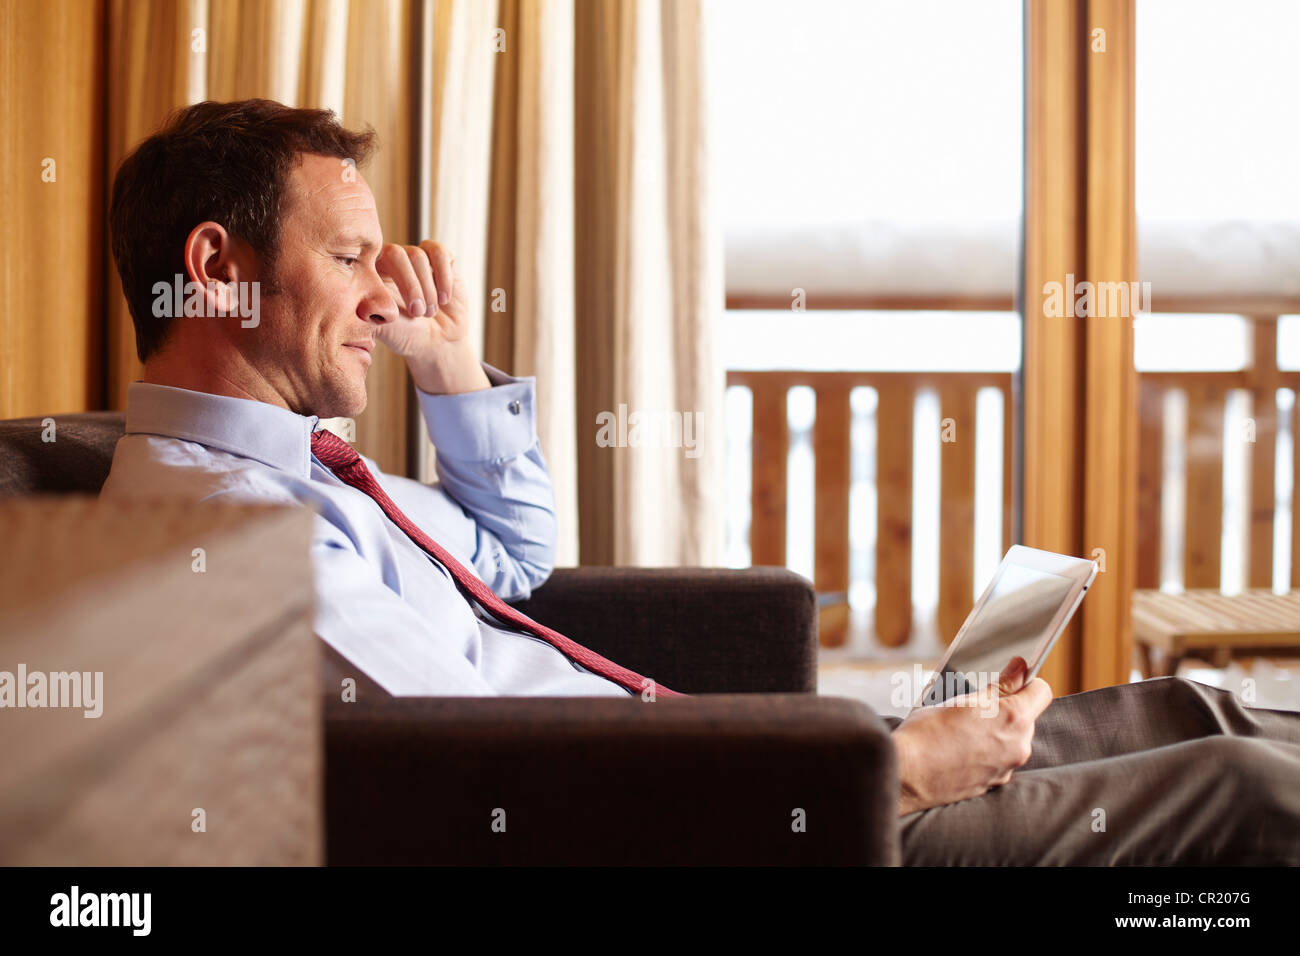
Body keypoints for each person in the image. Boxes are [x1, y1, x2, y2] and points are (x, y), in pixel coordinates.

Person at [99, 99, 1300, 865]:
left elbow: (511, 562)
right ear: (217, 265)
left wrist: (452, 370)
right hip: (751, 822)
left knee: (1196, 711)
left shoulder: (298, 469)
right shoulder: (225, 535)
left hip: (746, 763)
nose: (382, 294)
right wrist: (909, 766)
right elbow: (493, 790)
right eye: (352, 257)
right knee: (1245, 787)